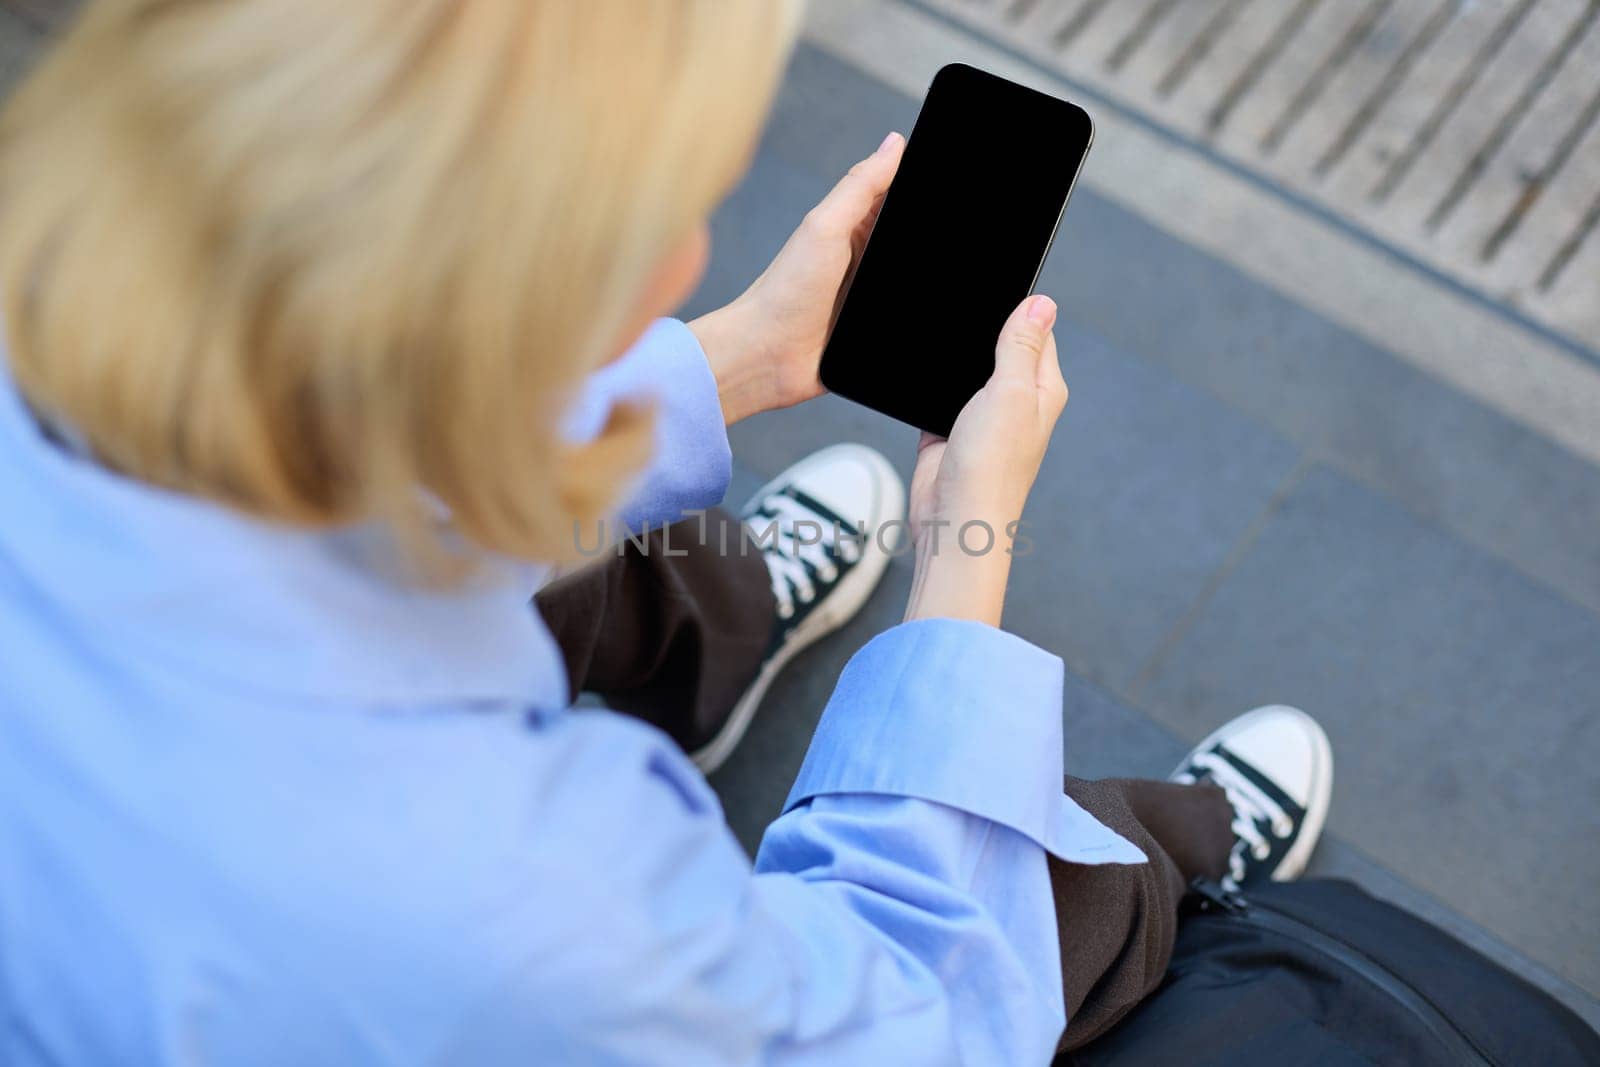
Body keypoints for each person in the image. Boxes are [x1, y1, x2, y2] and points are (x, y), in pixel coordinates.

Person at [0, 1, 1336, 1062]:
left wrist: (738, 364)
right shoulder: (537, 913)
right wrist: (964, 558)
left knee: (598, 546)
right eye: (676, 204)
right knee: (1038, 896)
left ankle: (714, 651)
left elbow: (340, 462)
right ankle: (1180, 858)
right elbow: (913, 1012)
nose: (692, 255)